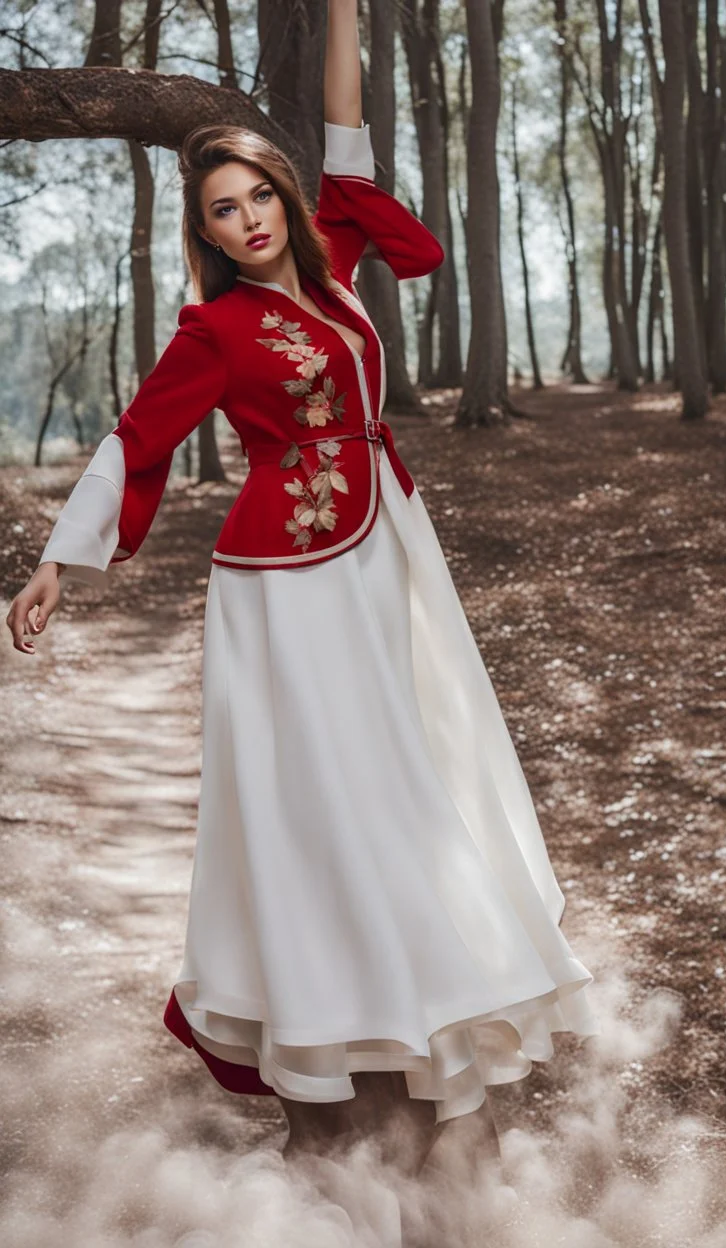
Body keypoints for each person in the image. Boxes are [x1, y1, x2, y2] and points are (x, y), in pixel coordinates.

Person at [5, 0, 597, 1184]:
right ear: (209, 232)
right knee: (323, 790)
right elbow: (136, 440)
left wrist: (341, 13)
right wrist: (54, 563)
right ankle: (333, 1032)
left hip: (390, 546)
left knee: (420, 772)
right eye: (222, 211)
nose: (247, 218)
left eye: (256, 196)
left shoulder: (334, 247)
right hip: (287, 578)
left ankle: (432, 1001)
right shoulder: (215, 329)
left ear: (280, 195)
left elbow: (348, 130)